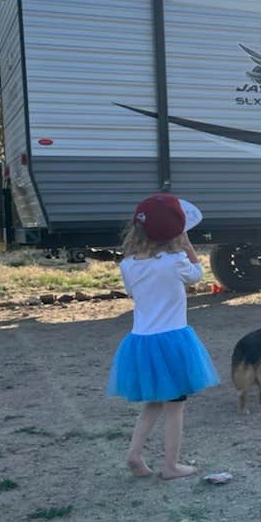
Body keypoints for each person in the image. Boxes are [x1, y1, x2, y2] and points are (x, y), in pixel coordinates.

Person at [107, 193, 219, 479]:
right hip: (172, 341)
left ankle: (134, 454)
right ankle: (171, 466)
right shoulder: (175, 261)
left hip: (141, 341)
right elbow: (197, 275)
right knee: (175, 407)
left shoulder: (128, 265)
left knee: (154, 401)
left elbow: (135, 292)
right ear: (175, 231)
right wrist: (187, 245)